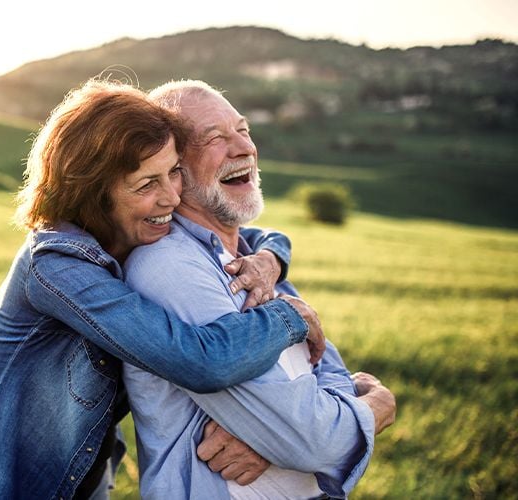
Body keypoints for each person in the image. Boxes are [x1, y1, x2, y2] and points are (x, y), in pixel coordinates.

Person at [0, 79, 326, 499]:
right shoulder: (56, 266)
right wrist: (290, 316)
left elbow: (252, 236)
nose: (172, 198)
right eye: (147, 184)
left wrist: (270, 258)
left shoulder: (131, 232)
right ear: (94, 194)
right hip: (1, 485)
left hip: (84, 479)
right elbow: (199, 362)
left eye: (173, 172)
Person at [119, 80, 398, 499]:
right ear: (174, 169)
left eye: (243, 130)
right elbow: (313, 441)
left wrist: (278, 440)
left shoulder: (256, 262)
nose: (244, 148)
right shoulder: (170, 268)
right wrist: (377, 407)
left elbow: (326, 371)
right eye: (215, 138)